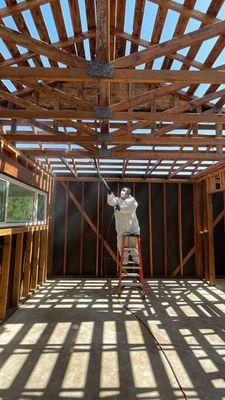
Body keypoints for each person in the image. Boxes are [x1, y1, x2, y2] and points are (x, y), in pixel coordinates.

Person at [107, 187, 140, 264]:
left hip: (132, 225)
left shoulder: (132, 200)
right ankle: (124, 258)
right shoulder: (118, 200)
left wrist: (121, 209)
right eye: (122, 190)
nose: (122, 192)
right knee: (121, 242)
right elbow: (111, 201)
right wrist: (110, 194)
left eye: (124, 191)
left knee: (133, 242)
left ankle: (135, 258)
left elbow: (131, 208)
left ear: (128, 194)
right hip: (121, 225)